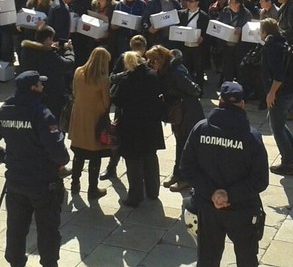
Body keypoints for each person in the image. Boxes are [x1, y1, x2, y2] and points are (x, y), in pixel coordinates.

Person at [0, 70, 70, 267]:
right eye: (40, 84)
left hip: (16, 182)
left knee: (16, 228)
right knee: (48, 230)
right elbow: (59, 152)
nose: (43, 86)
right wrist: (61, 161)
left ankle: (15, 263)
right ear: (33, 88)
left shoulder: (5, 110)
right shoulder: (41, 113)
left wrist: (8, 159)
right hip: (43, 183)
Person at [178, 80, 269, 267]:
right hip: (243, 209)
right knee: (247, 259)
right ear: (242, 104)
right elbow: (260, 180)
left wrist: (213, 193)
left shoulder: (200, 129)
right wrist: (229, 195)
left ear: (219, 102)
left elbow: (186, 167)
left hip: (208, 209)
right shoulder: (252, 137)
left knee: (208, 259)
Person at [145, 45, 204, 191]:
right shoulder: (165, 71)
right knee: (179, 142)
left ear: (160, 60)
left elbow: (195, 89)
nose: (151, 64)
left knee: (186, 145)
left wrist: (175, 92)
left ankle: (186, 178)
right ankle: (177, 173)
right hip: (177, 112)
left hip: (188, 112)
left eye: (153, 61)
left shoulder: (176, 71)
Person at [110, 51, 165, 207]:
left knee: (133, 161)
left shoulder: (127, 80)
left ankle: (135, 196)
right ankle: (153, 191)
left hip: (132, 125)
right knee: (150, 157)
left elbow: (117, 99)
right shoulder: (152, 75)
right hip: (151, 124)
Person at [67, 46, 112, 200]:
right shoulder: (103, 79)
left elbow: (74, 92)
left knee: (78, 154)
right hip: (95, 118)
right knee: (95, 156)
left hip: (79, 116)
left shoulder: (79, 71)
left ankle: (74, 184)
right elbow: (106, 103)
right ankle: (92, 189)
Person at [259, 18, 293, 176]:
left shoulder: (271, 47)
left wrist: (271, 93)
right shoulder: (281, 41)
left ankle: (287, 163)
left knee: (276, 127)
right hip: (290, 91)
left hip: (280, 93)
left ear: (265, 32)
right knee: (277, 121)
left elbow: (279, 75)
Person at [19, 25, 74, 120]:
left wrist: (53, 49)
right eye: (52, 39)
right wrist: (69, 50)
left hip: (31, 92)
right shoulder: (48, 54)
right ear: (48, 39)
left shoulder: (26, 50)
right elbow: (67, 65)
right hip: (50, 94)